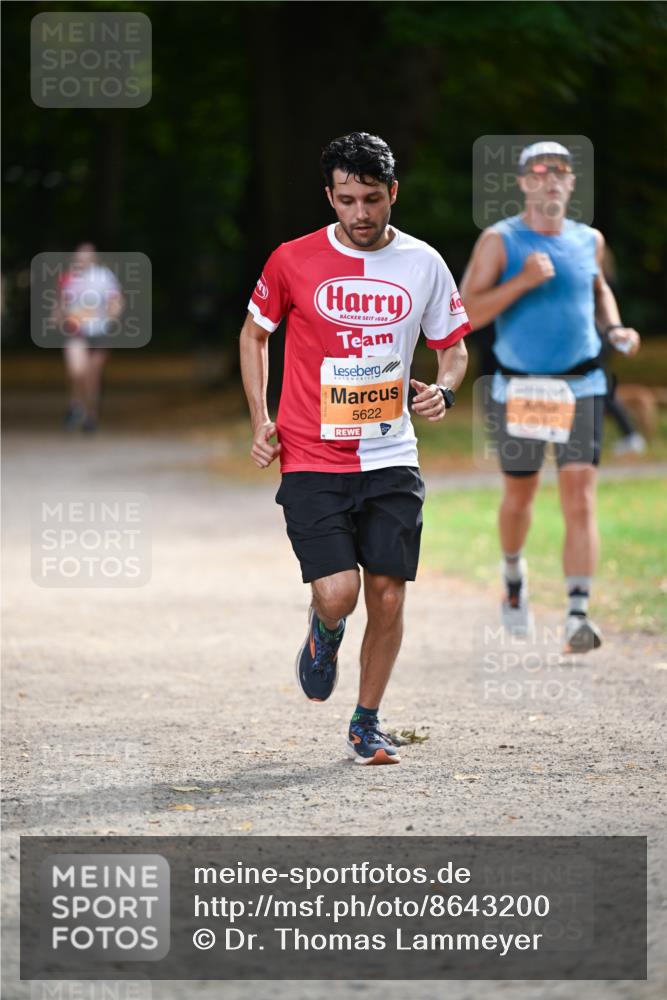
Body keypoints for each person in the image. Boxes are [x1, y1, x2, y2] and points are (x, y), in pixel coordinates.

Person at [239, 132, 471, 764]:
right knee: (339, 592)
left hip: (392, 453)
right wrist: (261, 418)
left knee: (389, 592)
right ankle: (325, 629)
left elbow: (453, 348)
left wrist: (445, 392)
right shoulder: (292, 259)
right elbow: (255, 336)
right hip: (313, 455)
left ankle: (366, 722)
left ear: (393, 192)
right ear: (330, 197)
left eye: (372, 198)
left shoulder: (423, 263)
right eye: (347, 200)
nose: (360, 213)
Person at [460, 141, 640, 653]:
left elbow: (597, 286)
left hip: (581, 384)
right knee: (520, 496)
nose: (552, 179)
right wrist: (522, 281)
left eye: (562, 171)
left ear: (572, 182)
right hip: (522, 387)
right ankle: (513, 576)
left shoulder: (590, 239)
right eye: (540, 171)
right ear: (523, 182)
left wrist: (616, 326)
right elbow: (466, 313)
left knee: (580, 494)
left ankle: (577, 614)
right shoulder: (500, 241)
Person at [52, 243, 124, 432]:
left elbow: (116, 300)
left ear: (94, 259)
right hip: (76, 331)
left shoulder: (104, 277)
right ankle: (76, 404)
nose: (83, 260)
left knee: (92, 375)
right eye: (80, 257)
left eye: (87, 257)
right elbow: (60, 304)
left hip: (99, 331)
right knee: (77, 371)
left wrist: (113, 314)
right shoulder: (67, 278)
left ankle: (90, 415)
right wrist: (56, 317)